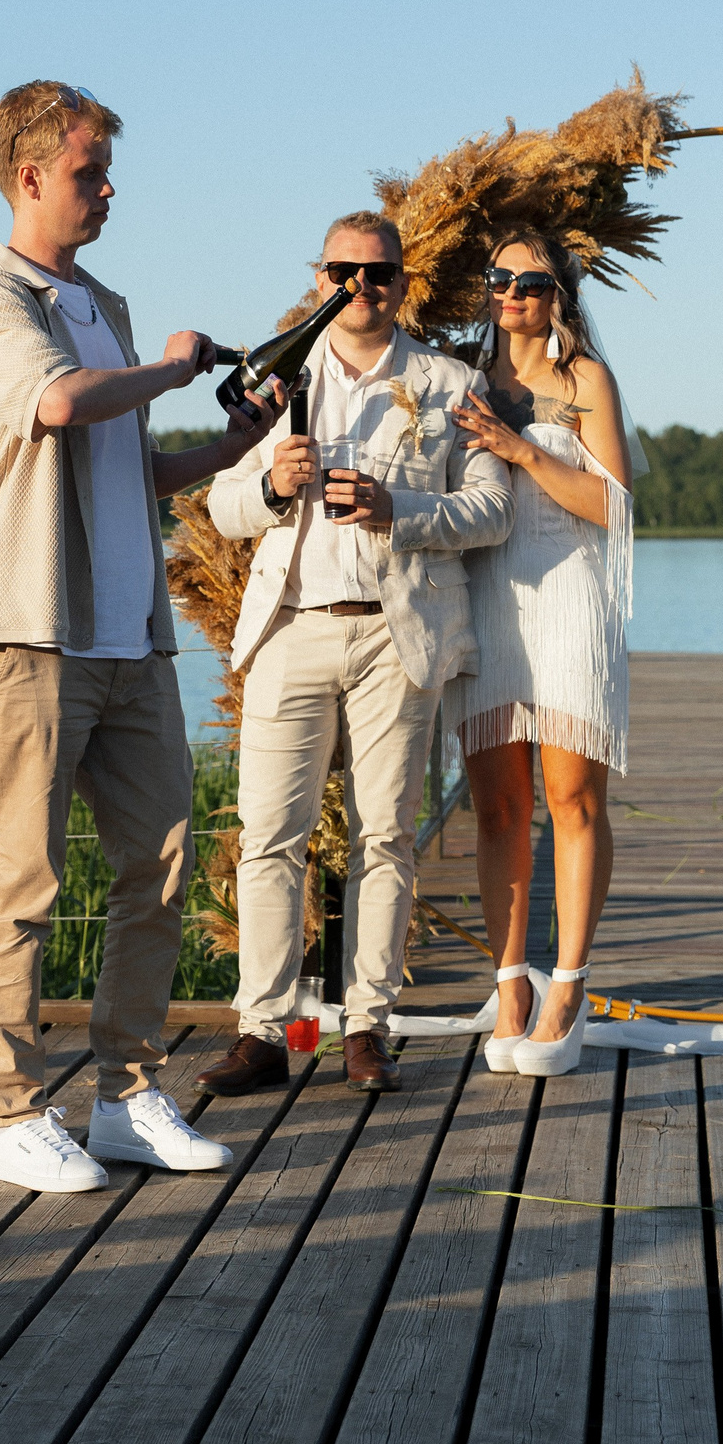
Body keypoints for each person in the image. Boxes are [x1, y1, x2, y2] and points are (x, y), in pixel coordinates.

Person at [0, 81, 282, 1193]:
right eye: (90, 172)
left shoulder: (105, 306)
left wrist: (227, 448)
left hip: (132, 641)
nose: (107, 189)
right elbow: (58, 405)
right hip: (28, 637)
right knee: (21, 886)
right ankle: (12, 1115)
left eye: (107, 171)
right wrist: (173, 370)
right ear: (29, 175)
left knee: (159, 871)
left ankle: (128, 1098)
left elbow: (126, 465)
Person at [193, 211, 513, 1096]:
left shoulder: (449, 383)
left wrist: (396, 510)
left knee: (386, 835)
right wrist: (271, 485)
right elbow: (221, 507)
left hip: (393, 634)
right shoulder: (277, 380)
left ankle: (367, 1027)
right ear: (320, 277)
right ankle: (264, 1030)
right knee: (269, 835)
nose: (358, 287)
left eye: (376, 273)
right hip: (292, 627)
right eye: (343, 272)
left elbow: (492, 509)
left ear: (402, 283)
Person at [445, 229, 637, 1078]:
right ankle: (510, 986)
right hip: (486, 600)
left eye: (532, 281)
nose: (514, 292)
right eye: (500, 277)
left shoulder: (585, 379)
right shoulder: (460, 377)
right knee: (497, 807)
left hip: (570, 597)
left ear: (561, 292)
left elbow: (614, 504)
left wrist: (521, 448)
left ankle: (569, 986)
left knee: (571, 799)